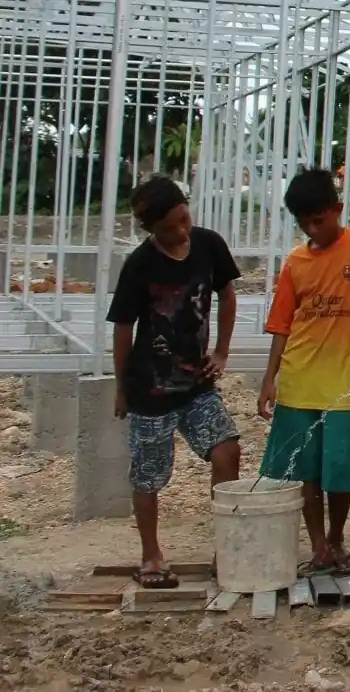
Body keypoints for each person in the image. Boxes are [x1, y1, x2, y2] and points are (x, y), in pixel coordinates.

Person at [257, 168, 350, 577]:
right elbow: (282, 325)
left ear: (337, 210)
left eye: (319, 220)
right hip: (300, 380)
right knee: (306, 470)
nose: (313, 229)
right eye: (304, 222)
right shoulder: (295, 263)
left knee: (340, 471)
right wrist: (269, 378)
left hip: (346, 381)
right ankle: (319, 546)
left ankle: (338, 538)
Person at [106, 176, 243, 589]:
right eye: (169, 228)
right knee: (149, 475)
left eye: (184, 220)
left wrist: (221, 351)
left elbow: (228, 293)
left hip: (197, 383)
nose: (181, 232)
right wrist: (120, 386)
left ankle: (226, 548)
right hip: (150, 389)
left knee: (228, 450)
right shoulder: (140, 265)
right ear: (151, 230)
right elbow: (123, 329)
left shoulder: (208, 244)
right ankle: (151, 555)